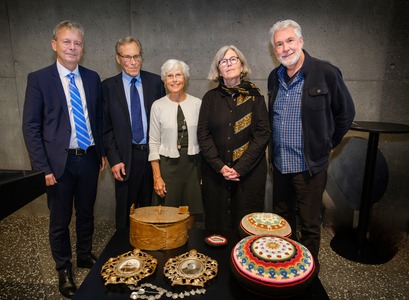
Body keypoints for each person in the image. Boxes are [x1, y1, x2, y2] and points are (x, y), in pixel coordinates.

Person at [22, 20, 106, 298]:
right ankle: (63, 268)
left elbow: (98, 118)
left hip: (90, 158)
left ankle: (84, 255)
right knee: (59, 220)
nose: (72, 47)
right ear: (54, 45)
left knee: (86, 213)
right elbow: (31, 127)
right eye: (66, 41)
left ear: (83, 48)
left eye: (77, 43)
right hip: (58, 164)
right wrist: (42, 168)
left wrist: (102, 152)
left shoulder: (92, 78)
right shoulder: (39, 79)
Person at [268, 19, 355, 265]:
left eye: (289, 41)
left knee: (309, 224)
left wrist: (328, 143)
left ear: (301, 41)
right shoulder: (273, 77)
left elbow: (346, 113)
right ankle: (285, 266)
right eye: (278, 44)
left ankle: (307, 273)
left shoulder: (326, 72)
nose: (285, 48)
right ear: (274, 50)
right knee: (282, 222)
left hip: (309, 168)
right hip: (280, 165)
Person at [197, 45, 270, 231]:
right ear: (218, 69)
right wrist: (220, 167)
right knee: (217, 224)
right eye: (223, 61)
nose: (228, 64)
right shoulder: (209, 98)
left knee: (246, 225)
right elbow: (203, 135)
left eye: (233, 59)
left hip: (249, 174)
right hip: (216, 174)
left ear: (242, 65)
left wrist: (239, 168)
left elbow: (263, 134)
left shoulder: (255, 96)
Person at [102, 37, 166, 229]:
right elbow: (105, 128)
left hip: (152, 157)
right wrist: (114, 159)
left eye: (136, 56)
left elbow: (164, 120)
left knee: (151, 209)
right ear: (118, 58)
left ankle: (149, 251)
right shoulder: (107, 87)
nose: (133, 62)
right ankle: (124, 250)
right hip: (125, 158)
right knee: (125, 212)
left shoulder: (155, 82)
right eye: (127, 57)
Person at [149, 59, 203, 227]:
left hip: (192, 165)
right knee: (167, 213)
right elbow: (153, 142)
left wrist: (204, 173)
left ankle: (188, 245)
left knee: (190, 210)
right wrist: (157, 176)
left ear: (185, 78)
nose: (174, 80)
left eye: (178, 75)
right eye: (169, 76)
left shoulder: (198, 103)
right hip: (168, 167)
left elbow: (205, 139)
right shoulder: (158, 106)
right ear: (164, 81)